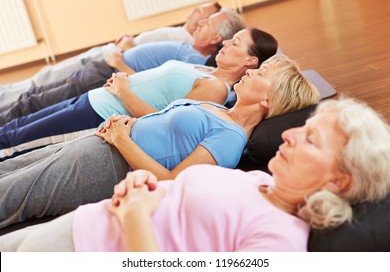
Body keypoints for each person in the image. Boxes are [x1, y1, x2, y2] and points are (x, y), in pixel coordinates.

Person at [1, 96, 389, 251]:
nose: (287, 136)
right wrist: (145, 188)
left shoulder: (280, 240)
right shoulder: (261, 182)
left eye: (310, 140)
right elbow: (176, 196)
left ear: (340, 180)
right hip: (85, 221)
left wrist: (135, 212)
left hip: (87, 250)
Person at [0, 54, 321, 230]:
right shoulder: (218, 108)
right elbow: (161, 126)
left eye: (261, 74)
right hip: (98, 142)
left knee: (9, 196)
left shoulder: (231, 140)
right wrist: (127, 123)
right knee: (8, 169)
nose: (251, 73)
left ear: (269, 99)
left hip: (103, 166)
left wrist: (123, 139)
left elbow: (170, 182)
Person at [0, 28, 278, 161]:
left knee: (16, 141)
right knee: (15, 127)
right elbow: (158, 87)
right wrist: (124, 78)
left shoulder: (217, 89)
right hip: (95, 98)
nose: (227, 42)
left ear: (250, 61)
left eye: (236, 43)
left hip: (100, 113)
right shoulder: (202, 68)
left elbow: (161, 120)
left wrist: (123, 90)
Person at [0, 8, 244, 125]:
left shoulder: (193, 63)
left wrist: (119, 63)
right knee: (36, 95)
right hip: (105, 68)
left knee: (36, 103)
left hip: (107, 75)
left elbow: (153, 86)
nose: (200, 21)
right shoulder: (188, 48)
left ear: (215, 39)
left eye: (208, 22)